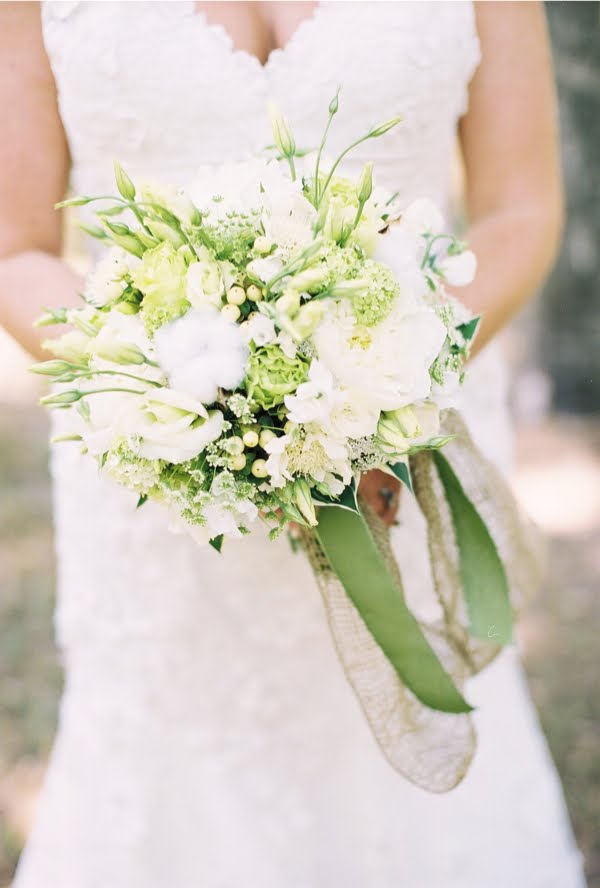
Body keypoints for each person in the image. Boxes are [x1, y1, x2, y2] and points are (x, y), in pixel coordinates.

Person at [0, 2, 586, 886]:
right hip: (158, 495)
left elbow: (520, 208)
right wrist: (164, 391)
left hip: (405, 449)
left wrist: (381, 384)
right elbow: (14, 249)